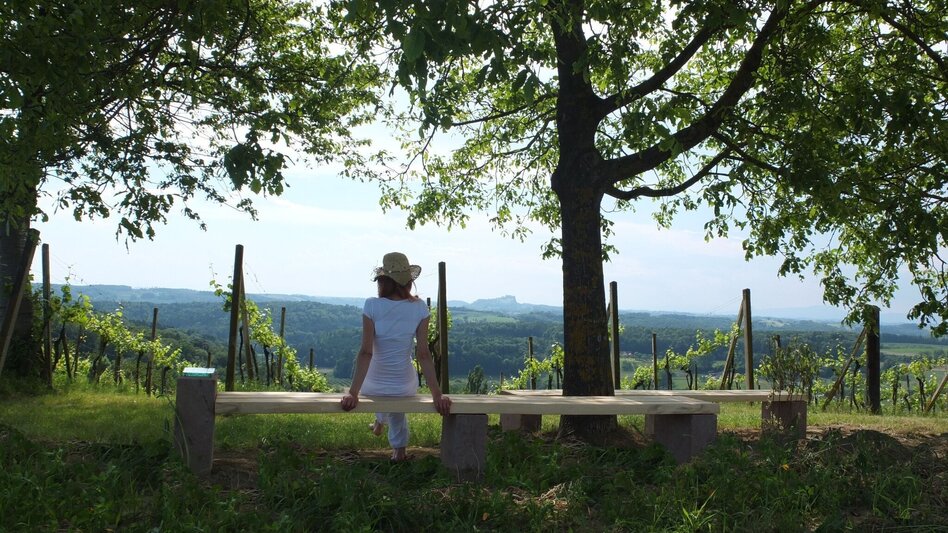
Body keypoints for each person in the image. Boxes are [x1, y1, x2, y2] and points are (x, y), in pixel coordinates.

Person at [340, 252, 451, 462]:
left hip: (372, 386)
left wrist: (353, 393)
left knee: (382, 386)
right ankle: (399, 450)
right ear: (408, 281)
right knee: (396, 393)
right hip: (404, 386)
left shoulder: (372, 305)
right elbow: (424, 354)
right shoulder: (419, 308)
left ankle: (379, 423)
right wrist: (437, 394)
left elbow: (366, 352)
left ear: (383, 281)